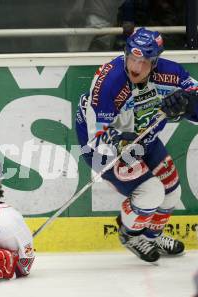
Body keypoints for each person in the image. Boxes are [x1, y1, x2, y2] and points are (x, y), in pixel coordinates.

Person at [74, 27, 198, 262]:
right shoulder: (109, 83)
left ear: (155, 61)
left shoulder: (170, 73)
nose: (136, 67)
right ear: (126, 53)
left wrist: (188, 103)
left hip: (144, 138)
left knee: (172, 192)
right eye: (132, 58)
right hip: (103, 146)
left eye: (143, 62)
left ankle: (151, 237)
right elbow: (96, 136)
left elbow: (195, 96)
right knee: (152, 193)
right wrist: (119, 141)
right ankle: (130, 235)